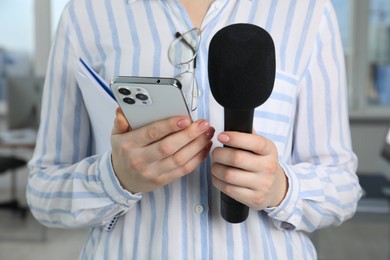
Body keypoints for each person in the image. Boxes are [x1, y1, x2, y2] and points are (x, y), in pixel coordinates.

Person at [27, 0, 362, 259]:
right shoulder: (86, 14)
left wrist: (280, 189)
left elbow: (342, 187)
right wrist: (114, 178)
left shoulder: (307, 12)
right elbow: (43, 191)